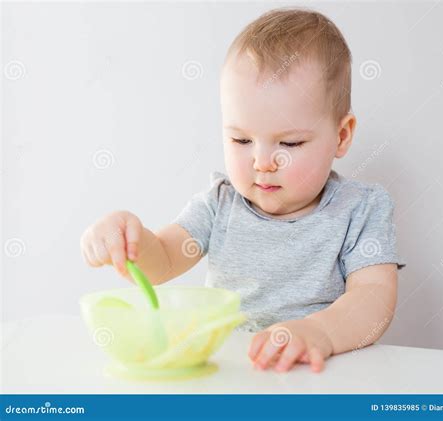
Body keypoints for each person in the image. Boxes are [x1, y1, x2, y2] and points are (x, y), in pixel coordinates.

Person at [80, 7, 406, 373]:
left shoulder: (360, 209)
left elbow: (373, 300)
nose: (262, 162)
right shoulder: (219, 204)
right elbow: (164, 260)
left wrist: (319, 332)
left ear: (341, 136)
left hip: (316, 375)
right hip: (232, 373)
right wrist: (129, 240)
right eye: (241, 139)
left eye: (291, 143)